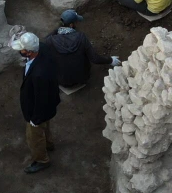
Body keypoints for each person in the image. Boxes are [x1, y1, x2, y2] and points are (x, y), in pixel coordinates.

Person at [11, 31, 60, 174]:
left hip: (39, 110)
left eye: (22, 49)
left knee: (34, 137)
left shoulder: (39, 74)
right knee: (46, 126)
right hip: (50, 104)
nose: (20, 51)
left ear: (30, 52)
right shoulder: (42, 48)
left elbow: (41, 99)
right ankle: (49, 144)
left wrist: (35, 119)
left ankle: (42, 160)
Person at [43, 9, 120, 89]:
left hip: (62, 81)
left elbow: (45, 42)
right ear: (71, 25)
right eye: (76, 22)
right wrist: (110, 60)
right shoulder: (81, 37)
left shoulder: (51, 40)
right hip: (82, 78)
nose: (77, 24)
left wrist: (57, 30)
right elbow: (94, 58)